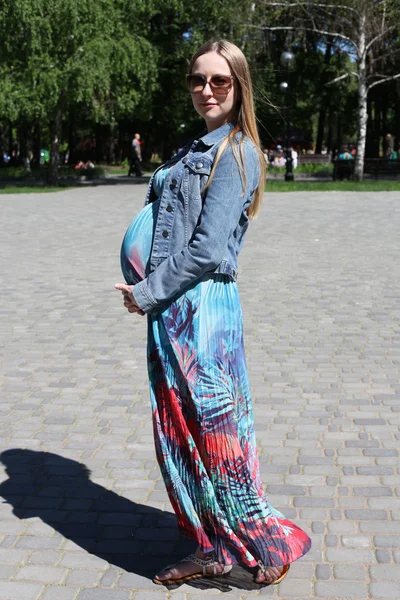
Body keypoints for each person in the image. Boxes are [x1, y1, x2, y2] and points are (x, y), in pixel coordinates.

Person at [115, 39, 311, 587]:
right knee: (179, 431)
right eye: (197, 80)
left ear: (239, 86)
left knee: (220, 431)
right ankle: (207, 545)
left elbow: (206, 249)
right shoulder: (189, 147)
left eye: (219, 81)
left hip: (201, 309)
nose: (206, 90)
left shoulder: (238, 153)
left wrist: (147, 291)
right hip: (170, 309)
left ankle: (260, 542)